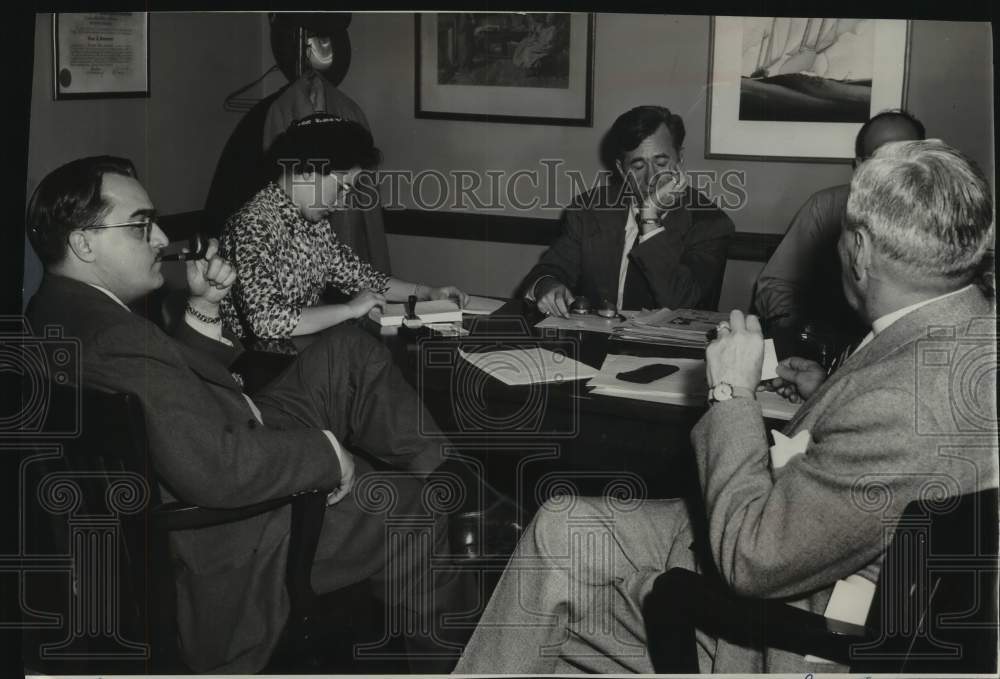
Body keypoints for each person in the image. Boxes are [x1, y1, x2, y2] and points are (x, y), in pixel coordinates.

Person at [454, 139, 997, 673]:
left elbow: (750, 561)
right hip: (807, 547)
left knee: (553, 601)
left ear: (860, 250)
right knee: (559, 524)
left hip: (785, 625)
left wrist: (731, 393)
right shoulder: (962, 331)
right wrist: (828, 393)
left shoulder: (905, 402)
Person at [24, 156, 476, 674]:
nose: (161, 239)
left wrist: (205, 305)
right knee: (412, 510)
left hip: (219, 434)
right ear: (84, 243)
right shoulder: (115, 338)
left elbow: (170, 393)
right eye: (141, 225)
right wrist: (329, 454)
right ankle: (460, 661)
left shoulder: (58, 311)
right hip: (230, 532)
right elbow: (220, 468)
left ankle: (449, 475)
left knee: (345, 352)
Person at [219, 113, 468, 339]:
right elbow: (266, 321)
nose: (341, 203)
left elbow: (361, 277)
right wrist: (349, 309)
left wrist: (427, 293)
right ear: (308, 170)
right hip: (256, 365)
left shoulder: (314, 224)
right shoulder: (253, 224)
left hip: (298, 355)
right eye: (341, 188)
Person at [523, 105, 734, 317]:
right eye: (638, 166)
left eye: (661, 162)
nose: (651, 177)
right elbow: (549, 270)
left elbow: (679, 302)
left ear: (680, 159)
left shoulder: (710, 224)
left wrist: (649, 218)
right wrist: (547, 286)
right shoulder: (589, 209)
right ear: (622, 170)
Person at [753, 109, 926, 347]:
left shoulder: (944, 219)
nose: (895, 169)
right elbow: (776, 285)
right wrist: (800, 329)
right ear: (859, 166)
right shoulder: (826, 208)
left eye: (906, 156)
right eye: (881, 158)